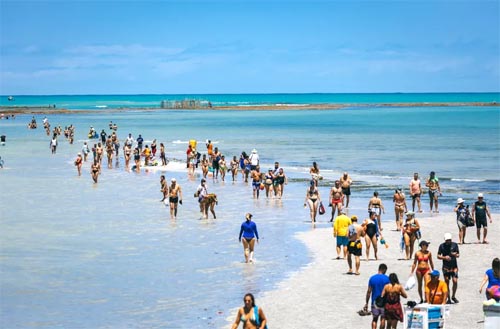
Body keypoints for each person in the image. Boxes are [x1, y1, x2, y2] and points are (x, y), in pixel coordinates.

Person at [364, 263, 390, 329]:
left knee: (374, 319)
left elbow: (369, 291)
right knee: (383, 318)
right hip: (384, 302)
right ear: (384, 270)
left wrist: (366, 302)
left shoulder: (372, 278)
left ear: (379, 269)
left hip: (374, 302)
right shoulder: (387, 279)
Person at [437, 232, 460, 304]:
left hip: (454, 266)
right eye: (447, 240)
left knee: (455, 281)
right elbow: (438, 256)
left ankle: (453, 296)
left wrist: (455, 255)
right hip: (446, 267)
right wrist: (444, 257)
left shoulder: (455, 245)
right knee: (446, 281)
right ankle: (448, 297)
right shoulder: (441, 246)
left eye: (449, 240)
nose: (448, 241)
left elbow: (458, 254)